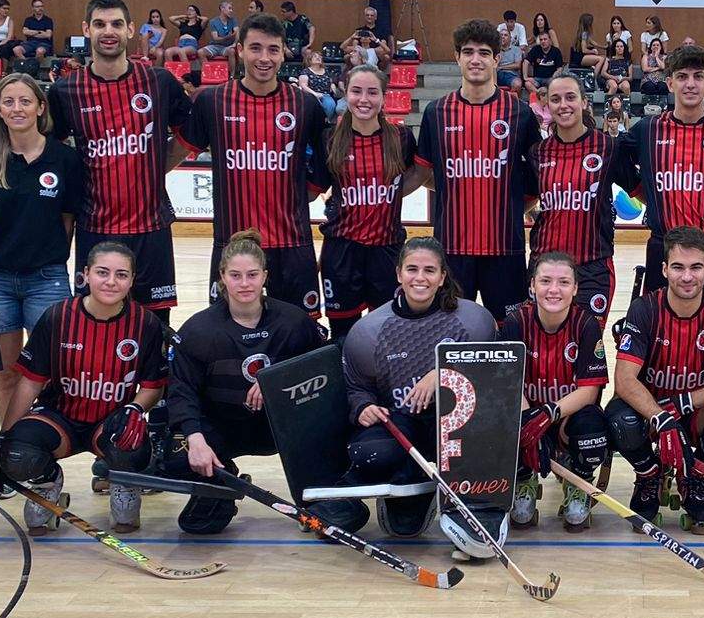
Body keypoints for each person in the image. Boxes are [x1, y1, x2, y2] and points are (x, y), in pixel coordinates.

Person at [160, 232, 329, 535]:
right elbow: (181, 390)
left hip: (279, 428)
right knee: (177, 466)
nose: (244, 283)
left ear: (265, 275)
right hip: (222, 427)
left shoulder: (294, 322)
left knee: (327, 428)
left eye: (252, 275)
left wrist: (277, 381)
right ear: (222, 277)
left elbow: (324, 368)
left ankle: (315, 496)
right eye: (235, 275)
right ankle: (223, 483)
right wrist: (196, 439)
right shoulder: (199, 330)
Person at [341, 236, 500, 550]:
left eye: (429, 270)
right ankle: (409, 482)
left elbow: (493, 381)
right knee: (370, 453)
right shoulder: (370, 330)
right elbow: (356, 389)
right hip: (405, 427)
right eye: (412, 269)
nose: (420, 278)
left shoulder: (474, 320)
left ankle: (470, 496)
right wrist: (363, 407)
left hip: (457, 433)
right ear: (399, 273)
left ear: (442, 277)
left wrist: (442, 371)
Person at [0, 242, 166, 537]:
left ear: (132, 280)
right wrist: (6, 437)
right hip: (59, 417)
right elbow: (31, 381)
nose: (111, 282)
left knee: (133, 442)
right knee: (17, 453)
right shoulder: (57, 317)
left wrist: (134, 409)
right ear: (86, 274)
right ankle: (47, 481)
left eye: (121, 275)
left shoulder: (146, 324)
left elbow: (152, 386)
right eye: (102, 272)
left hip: (110, 422)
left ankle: (123, 481)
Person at [47, 0, 191, 313]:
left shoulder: (159, 81)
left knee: (155, 327)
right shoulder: (65, 92)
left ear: (129, 30)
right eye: (99, 24)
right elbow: (51, 154)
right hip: (95, 229)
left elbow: (190, 135)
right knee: (95, 321)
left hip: (150, 228)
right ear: (87, 29)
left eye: (116, 24)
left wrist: (157, 166)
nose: (108, 31)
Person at [179, 11, 329, 313]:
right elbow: (180, 149)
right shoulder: (212, 101)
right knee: (228, 339)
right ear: (239, 50)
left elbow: (325, 163)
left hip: (292, 243)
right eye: (256, 48)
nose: (265, 58)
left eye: (273, 49)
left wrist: (305, 192)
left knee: (300, 340)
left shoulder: (306, 105)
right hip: (232, 245)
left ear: (283, 54)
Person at [608, 228, 704, 532]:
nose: (687, 277)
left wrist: (684, 403)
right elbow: (623, 380)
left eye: (695, 267)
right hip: (653, 413)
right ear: (664, 270)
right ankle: (649, 474)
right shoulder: (644, 308)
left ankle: (692, 472)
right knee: (620, 419)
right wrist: (662, 418)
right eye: (678, 267)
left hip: (696, 413)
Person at [0, 72, 84, 424]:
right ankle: (9, 445)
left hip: (46, 279)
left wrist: (49, 254)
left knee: (49, 373)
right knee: (6, 374)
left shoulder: (64, 159)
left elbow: (67, 219)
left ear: (40, 107)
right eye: (9, 101)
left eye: (25, 101)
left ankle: (38, 450)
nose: (17, 109)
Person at [414, 19, 542, 316]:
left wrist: (510, 209)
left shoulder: (520, 113)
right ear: (457, 56)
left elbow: (536, 180)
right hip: (451, 251)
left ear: (497, 59)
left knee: (508, 336)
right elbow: (424, 174)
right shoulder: (436, 112)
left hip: (505, 249)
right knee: (453, 334)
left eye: (484, 53)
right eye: (468, 52)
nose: (475, 59)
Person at [615, 43, 704, 301]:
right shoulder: (647, 129)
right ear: (669, 83)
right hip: (664, 248)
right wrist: (646, 193)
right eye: (682, 77)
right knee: (661, 334)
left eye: (698, 76)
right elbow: (615, 162)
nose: (690, 84)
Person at [501, 252, 611, 531]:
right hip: (527, 411)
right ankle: (524, 479)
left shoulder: (586, 325)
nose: (554, 289)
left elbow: (590, 390)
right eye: (546, 281)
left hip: (567, 417)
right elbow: (508, 384)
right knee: (502, 422)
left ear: (575, 289)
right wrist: (530, 423)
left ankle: (578, 480)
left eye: (563, 282)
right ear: (532, 286)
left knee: (594, 428)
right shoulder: (516, 323)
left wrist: (550, 414)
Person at [322, 64, 420, 340]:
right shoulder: (329, 138)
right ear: (345, 93)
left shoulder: (400, 137)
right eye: (356, 91)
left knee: (389, 332)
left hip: (387, 249)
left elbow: (420, 174)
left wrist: (390, 193)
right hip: (341, 250)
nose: (364, 99)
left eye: (372, 92)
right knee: (343, 334)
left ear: (383, 96)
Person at [528, 70, 624, 318]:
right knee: (542, 343)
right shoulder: (537, 153)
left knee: (587, 343)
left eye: (570, 97)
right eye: (556, 99)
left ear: (584, 101)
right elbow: (524, 199)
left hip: (593, 265)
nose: (563, 105)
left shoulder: (609, 148)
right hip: (544, 265)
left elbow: (641, 190)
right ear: (548, 104)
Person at [522, 26, 565, 93]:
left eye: (545, 39)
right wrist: (525, 77)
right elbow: (526, 62)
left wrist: (554, 77)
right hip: (537, 79)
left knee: (554, 84)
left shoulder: (556, 51)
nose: (543, 41)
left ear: (550, 40)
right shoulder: (535, 49)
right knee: (527, 84)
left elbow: (560, 68)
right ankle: (540, 94)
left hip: (550, 79)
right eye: (541, 40)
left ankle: (543, 94)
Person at [278, 0, 315, 68]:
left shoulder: (302, 19)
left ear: (291, 12)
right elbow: (280, 37)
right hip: (288, 49)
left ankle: (306, 73)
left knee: (308, 52)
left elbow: (312, 28)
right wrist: (285, 48)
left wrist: (310, 43)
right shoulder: (283, 23)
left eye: (283, 12)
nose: (281, 13)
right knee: (278, 54)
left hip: (302, 47)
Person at [19, 0, 57, 64]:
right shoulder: (28, 20)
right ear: (33, 8)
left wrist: (31, 33)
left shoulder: (48, 20)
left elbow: (48, 35)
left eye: (42, 6)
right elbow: (25, 32)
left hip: (44, 44)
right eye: (37, 7)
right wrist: (39, 32)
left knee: (39, 51)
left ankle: (35, 68)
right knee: (16, 50)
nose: (40, 8)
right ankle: (27, 65)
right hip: (30, 43)